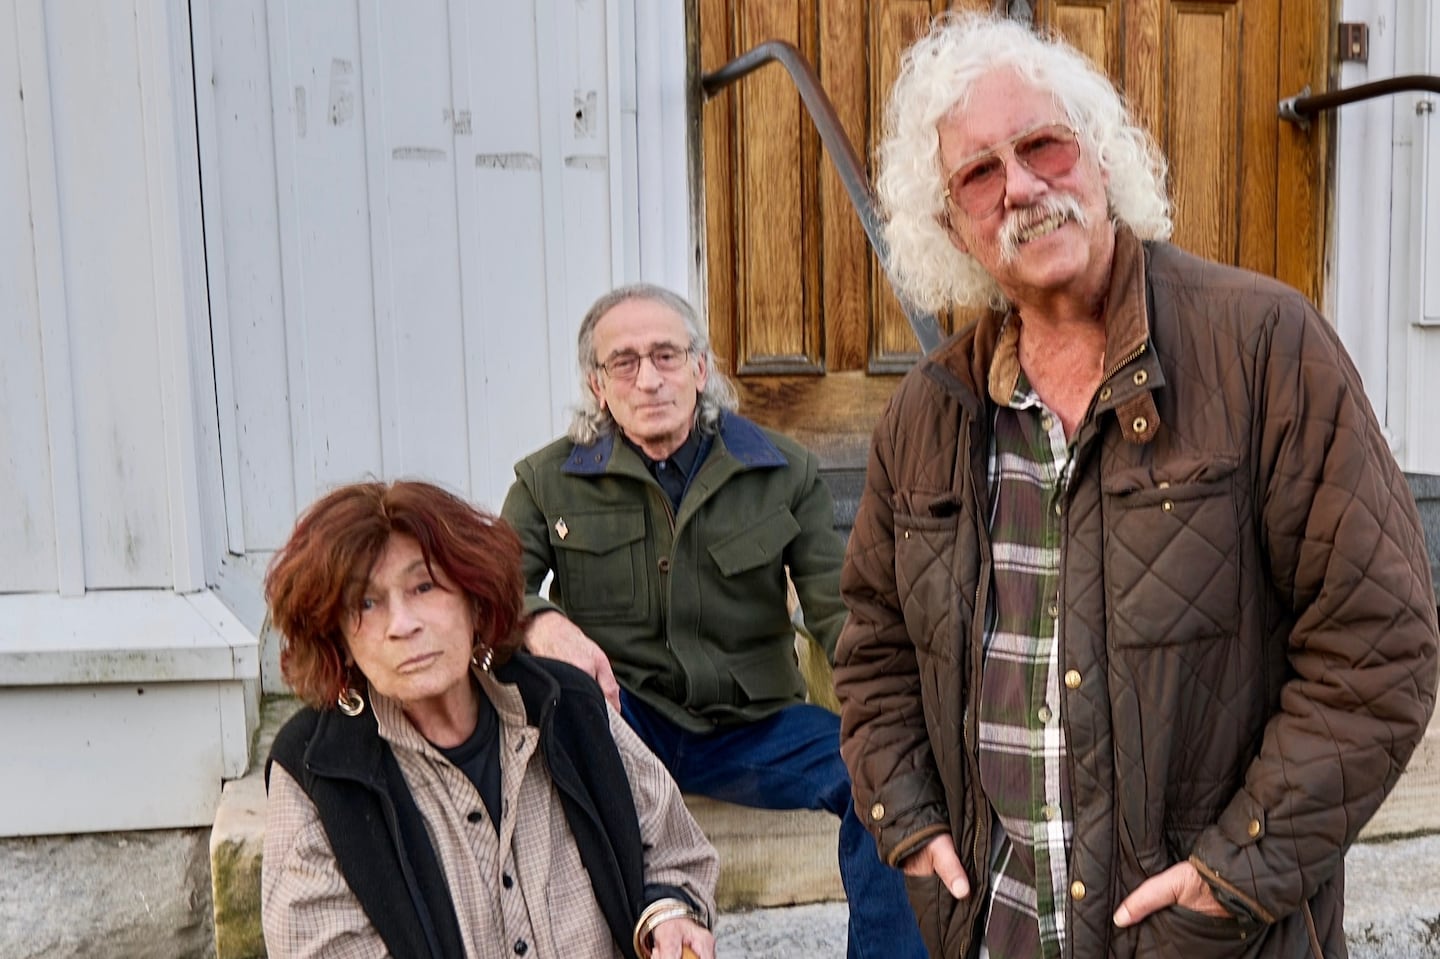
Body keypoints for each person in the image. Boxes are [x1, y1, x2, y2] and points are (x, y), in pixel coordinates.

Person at [835, 11, 1440, 959]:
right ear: (951, 225)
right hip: (993, 931)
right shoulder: (930, 410)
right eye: (978, 175)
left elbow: (1381, 644)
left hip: (1209, 941)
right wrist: (910, 831)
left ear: (1103, 159)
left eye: (1044, 146)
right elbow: (872, 648)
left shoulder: (1263, 346)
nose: (1023, 188)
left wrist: (1233, 876)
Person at [500, 283, 928, 959]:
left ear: (701, 369)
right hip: (620, 723)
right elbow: (494, 587)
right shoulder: (544, 480)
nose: (649, 379)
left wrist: (894, 710)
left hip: (751, 729)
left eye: (667, 355)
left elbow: (839, 606)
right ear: (596, 383)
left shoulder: (785, 469)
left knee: (886, 773)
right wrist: (540, 622)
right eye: (625, 362)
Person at [260, 479, 718, 959]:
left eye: (424, 586)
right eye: (366, 603)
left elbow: (672, 850)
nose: (402, 625)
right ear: (338, 638)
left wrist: (670, 915)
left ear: (474, 600)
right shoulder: (319, 769)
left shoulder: (565, 704)